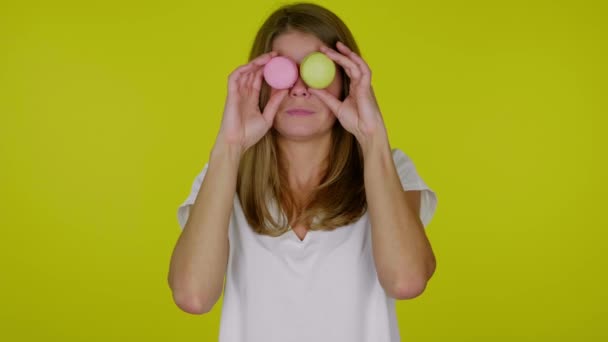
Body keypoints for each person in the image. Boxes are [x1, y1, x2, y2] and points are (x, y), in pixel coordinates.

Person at [168, 2, 438, 341]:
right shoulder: (225, 174)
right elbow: (193, 296)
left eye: (315, 68)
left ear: (345, 81)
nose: (298, 88)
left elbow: (406, 280)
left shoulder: (387, 167)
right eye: (281, 71)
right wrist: (229, 146)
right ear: (260, 84)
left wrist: (372, 139)